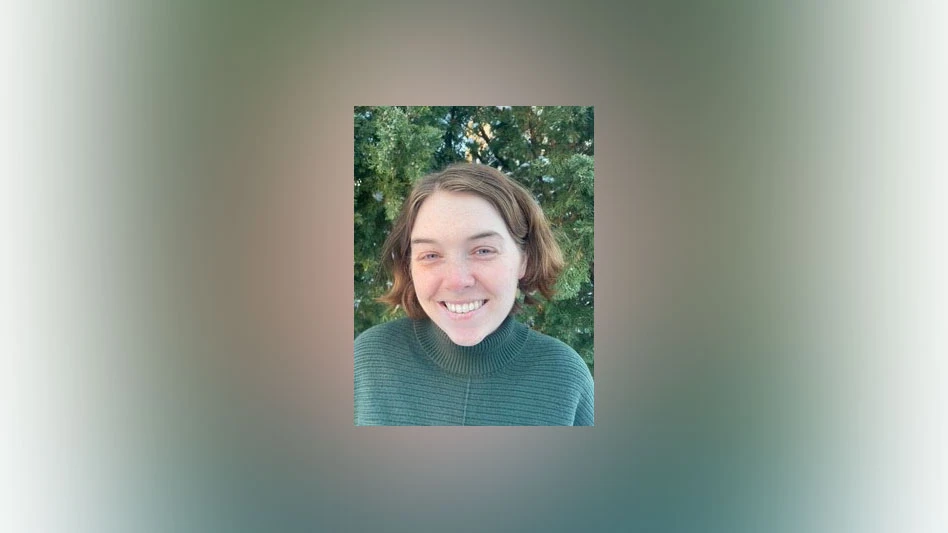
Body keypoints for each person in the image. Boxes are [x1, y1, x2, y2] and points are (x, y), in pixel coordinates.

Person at [354, 163, 594, 426]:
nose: (457, 281)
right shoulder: (368, 361)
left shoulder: (564, 378)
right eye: (431, 255)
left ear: (524, 260)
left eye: (483, 251)